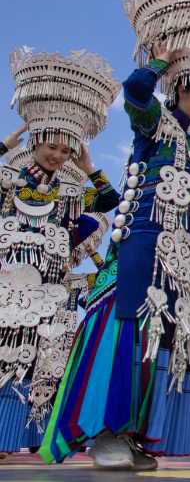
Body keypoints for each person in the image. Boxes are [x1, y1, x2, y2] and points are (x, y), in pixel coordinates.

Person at [40, 0, 190, 470]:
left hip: (185, 260)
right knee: (131, 331)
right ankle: (105, 431)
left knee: (165, 342)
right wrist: (158, 62)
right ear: (181, 89)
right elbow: (134, 93)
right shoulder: (154, 124)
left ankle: (134, 433)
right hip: (141, 247)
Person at [0, 46, 122, 459]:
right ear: (35, 141)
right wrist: (4, 145)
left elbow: (110, 202)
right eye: (51, 146)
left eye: (66, 150)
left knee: (32, 361)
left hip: (47, 292)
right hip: (5, 283)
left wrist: (89, 168)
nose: (57, 155)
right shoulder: (8, 181)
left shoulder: (71, 193)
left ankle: (8, 438)